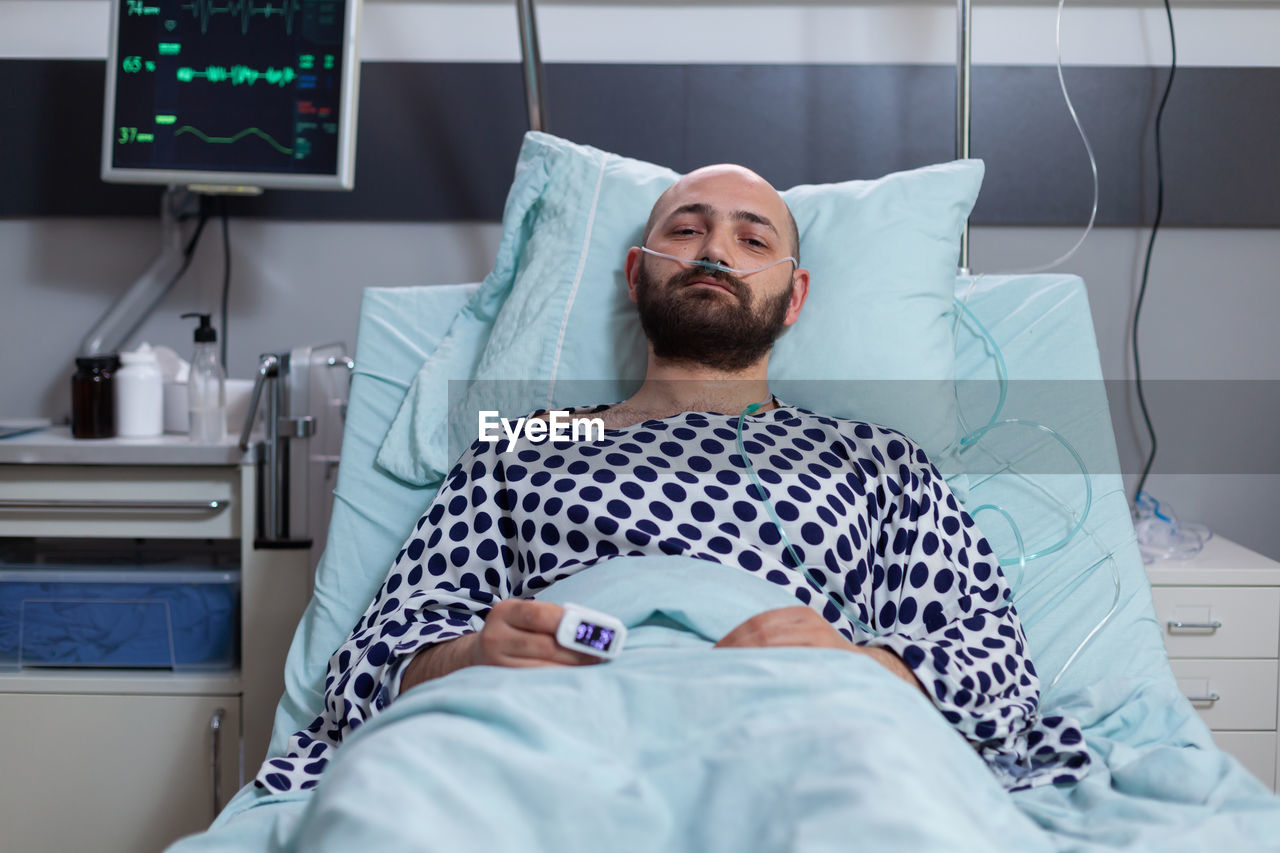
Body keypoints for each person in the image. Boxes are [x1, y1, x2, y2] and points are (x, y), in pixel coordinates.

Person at [256, 165, 1090, 796]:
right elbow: (365, 663)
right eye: (687, 231)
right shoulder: (522, 449)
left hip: (800, 745)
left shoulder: (878, 461)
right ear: (634, 275)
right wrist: (476, 654)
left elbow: (995, 667)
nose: (717, 251)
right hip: (555, 747)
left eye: (753, 239)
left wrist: (859, 663)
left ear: (793, 297)